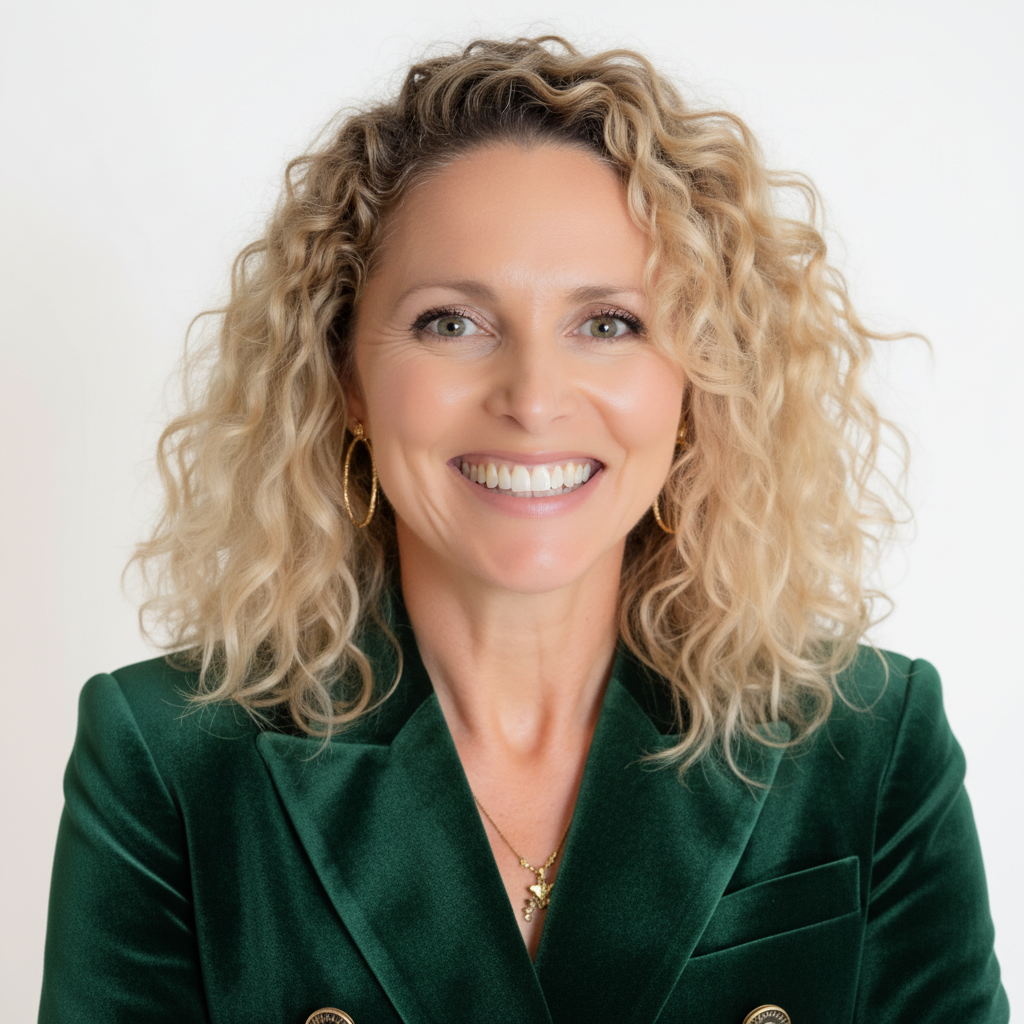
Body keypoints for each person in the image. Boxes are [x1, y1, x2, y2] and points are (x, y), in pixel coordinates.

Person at [39, 36, 1007, 1024]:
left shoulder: (869, 744)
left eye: (609, 323)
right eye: (453, 322)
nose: (535, 398)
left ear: (698, 379)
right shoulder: (169, 760)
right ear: (345, 378)